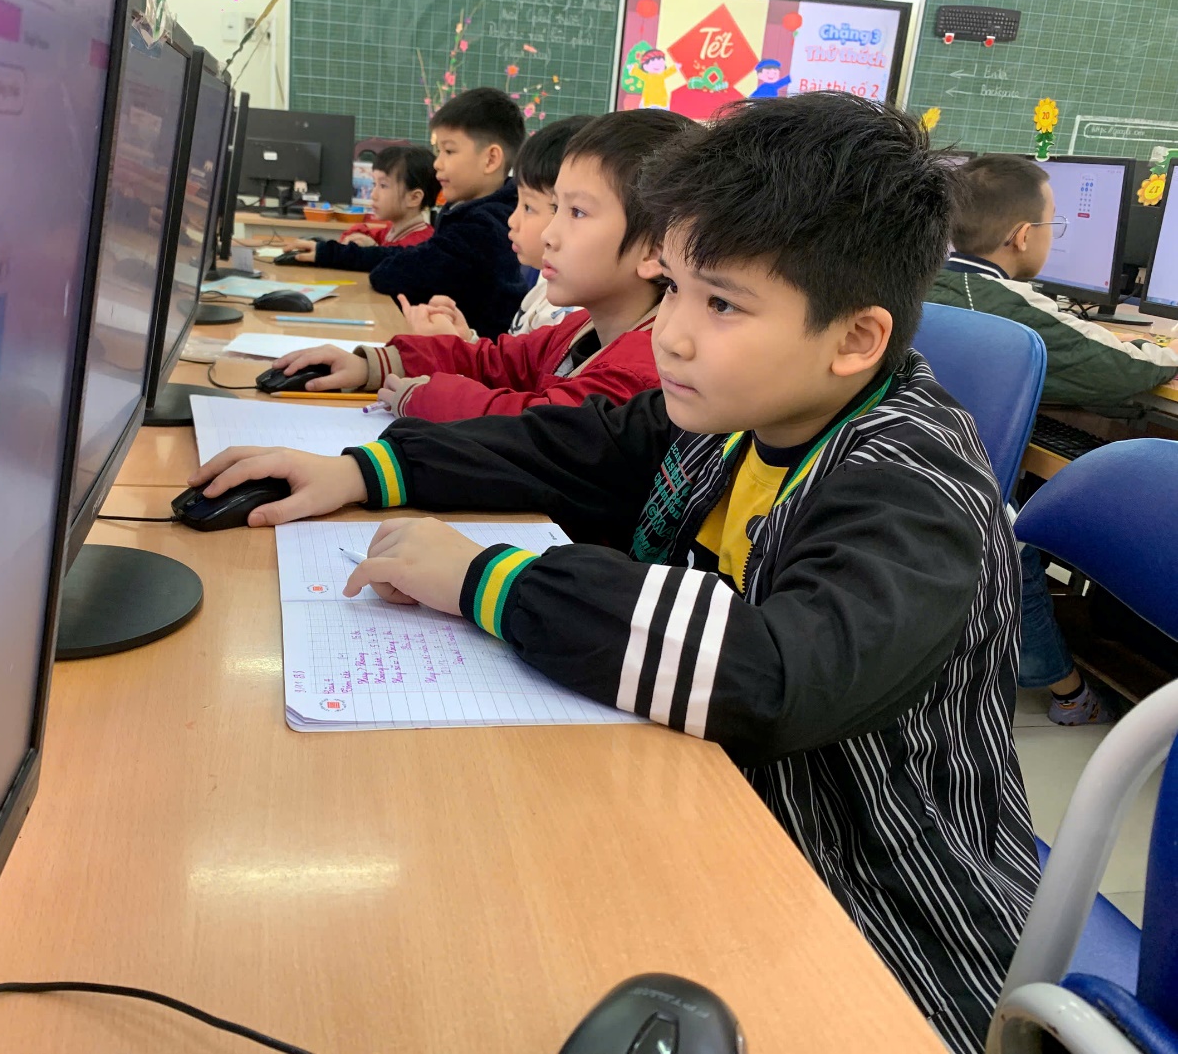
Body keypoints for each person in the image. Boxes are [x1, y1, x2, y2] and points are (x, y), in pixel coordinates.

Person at [190, 93, 1039, 1053]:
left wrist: (488, 582)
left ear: (855, 339)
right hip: (711, 808)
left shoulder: (914, 488)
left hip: (877, 900)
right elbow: (575, 443)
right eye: (673, 288)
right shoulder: (743, 412)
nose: (670, 333)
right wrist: (365, 470)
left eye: (722, 304)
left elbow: (772, 673)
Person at [927, 153, 1178, 724]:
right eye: (1052, 224)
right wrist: (1163, 351)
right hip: (956, 492)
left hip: (903, 461)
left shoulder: (918, 277)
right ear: (1022, 236)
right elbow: (1120, 370)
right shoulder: (1003, 304)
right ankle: (1069, 694)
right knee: (1012, 537)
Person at [271, 109, 691, 420]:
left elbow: (542, 425)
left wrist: (425, 397)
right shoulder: (581, 327)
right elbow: (497, 361)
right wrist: (376, 364)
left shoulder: (646, 365)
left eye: (576, 212)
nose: (549, 233)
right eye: (554, 208)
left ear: (654, 251)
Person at [305, 87, 527, 339]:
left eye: (449, 151)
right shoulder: (473, 211)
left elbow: (392, 276)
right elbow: (415, 256)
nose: (437, 163)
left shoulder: (483, 226)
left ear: (491, 159)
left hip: (472, 356)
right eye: (438, 151)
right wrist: (328, 253)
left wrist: (340, 255)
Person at [398, 113, 594, 341]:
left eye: (528, 207)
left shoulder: (568, 316)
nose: (512, 220)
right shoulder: (545, 287)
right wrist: (466, 340)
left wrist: (452, 347)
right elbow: (512, 362)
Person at [283, 145, 438, 259]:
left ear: (414, 198)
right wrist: (358, 239)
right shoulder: (390, 232)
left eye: (383, 186)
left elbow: (393, 265)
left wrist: (371, 251)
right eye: (374, 184)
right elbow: (356, 231)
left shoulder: (423, 245)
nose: (373, 194)